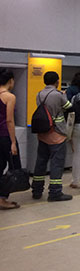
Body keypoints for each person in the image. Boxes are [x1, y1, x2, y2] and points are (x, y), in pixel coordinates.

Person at [31, 71, 73, 202]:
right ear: (57, 81)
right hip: (57, 133)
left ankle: (37, 190)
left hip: (42, 133)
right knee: (57, 163)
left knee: (40, 162)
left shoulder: (39, 94)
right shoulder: (58, 95)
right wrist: (64, 96)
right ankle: (55, 192)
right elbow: (69, 107)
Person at [0, 69, 21, 209]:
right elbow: (9, 120)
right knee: (14, 167)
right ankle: (2, 198)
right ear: (11, 81)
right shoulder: (9, 97)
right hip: (5, 136)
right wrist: (13, 142)